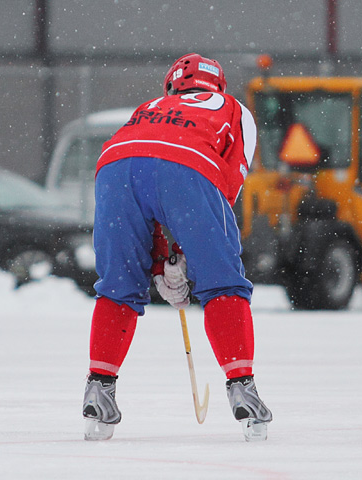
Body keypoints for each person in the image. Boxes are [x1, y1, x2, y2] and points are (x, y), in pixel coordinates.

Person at [81, 53, 272, 441]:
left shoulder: (151, 106)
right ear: (217, 85)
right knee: (223, 284)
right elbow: (224, 189)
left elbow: (143, 171)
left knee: (118, 286)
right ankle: (242, 387)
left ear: (172, 85)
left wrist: (158, 264)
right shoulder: (234, 109)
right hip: (188, 165)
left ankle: (99, 387)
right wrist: (189, 257)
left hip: (114, 166)